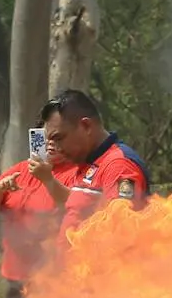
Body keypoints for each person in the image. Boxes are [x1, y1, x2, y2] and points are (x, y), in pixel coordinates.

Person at [38, 89, 151, 235]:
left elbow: (120, 231)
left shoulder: (119, 165)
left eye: (59, 138)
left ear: (86, 126)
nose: (56, 147)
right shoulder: (85, 163)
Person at [0, 149, 77, 298]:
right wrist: (0, 188)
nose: (50, 144)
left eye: (57, 138)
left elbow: (74, 207)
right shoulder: (23, 168)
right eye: (45, 137)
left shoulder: (74, 172)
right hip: (15, 274)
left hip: (52, 277)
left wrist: (48, 179)